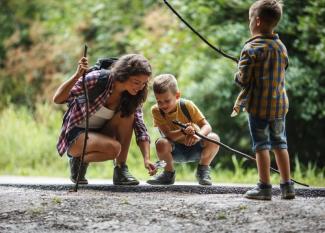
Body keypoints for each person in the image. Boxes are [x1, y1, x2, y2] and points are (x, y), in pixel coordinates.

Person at [53, 54, 157, 185]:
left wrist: (146, 159)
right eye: (136, 82)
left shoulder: (133, 95)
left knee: (128, 116)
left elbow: (140, 128)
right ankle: (77, 159)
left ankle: (120, 170)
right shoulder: (97, 79)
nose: (140, 87)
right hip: (76, 136)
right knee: (114, 148)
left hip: (101, 133)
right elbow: (58, 99)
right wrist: (77, 76)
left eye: (144, 83)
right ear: (123, 75)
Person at [233, 0, 295, 200]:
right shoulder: (281, 47)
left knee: (261, 145)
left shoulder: (251, 48)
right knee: (280, 143)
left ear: (257, 21)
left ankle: (264, 187)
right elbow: (283, 68)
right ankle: (287, 186)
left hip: (258, 107)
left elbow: (243, 79)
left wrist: (237, 74)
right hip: (278, 106)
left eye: (250, 19)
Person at [147, 74, 220, 185]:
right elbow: (168, 135)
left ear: (177, 96)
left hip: (195, 146)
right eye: (159, 101)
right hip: (175, 150)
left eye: (167, 101)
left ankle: (203, 171)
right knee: (161, 143)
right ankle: (168, 174)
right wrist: (183, 132)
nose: (163, 105)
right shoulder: (156, 111)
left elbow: (207, 126)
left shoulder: (187, 105)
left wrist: (197, 135)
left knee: (214, 138)